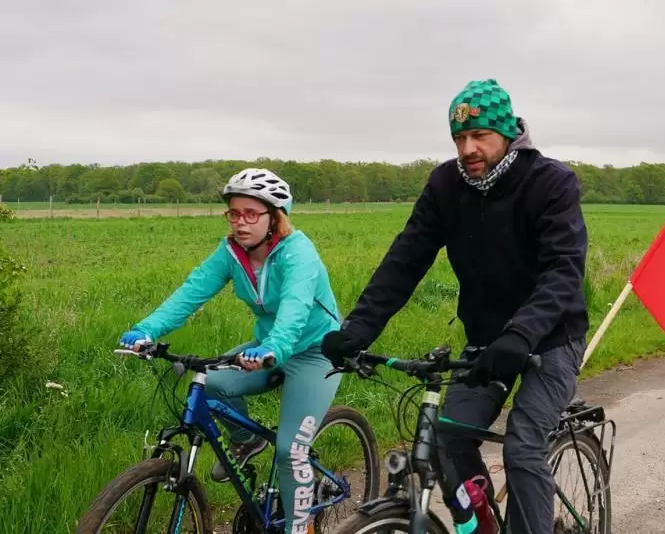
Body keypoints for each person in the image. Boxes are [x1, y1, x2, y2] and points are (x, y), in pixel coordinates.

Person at [321, 79, 589, 534]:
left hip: (551, 338)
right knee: (448, 438)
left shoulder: (550, 182)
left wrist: (521, 333)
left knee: (523, 446)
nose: (468, 149)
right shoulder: (445, 184)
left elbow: (563, 270)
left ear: (508, 133)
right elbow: (406, 259)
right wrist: (359, 328)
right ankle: (483, 525)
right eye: (459, 138)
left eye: (479, 136)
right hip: (487, 339)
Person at [119, 168, 342, 534]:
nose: (240, 222)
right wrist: (147, 328)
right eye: (234, 213)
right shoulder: (231, 253)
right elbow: (191, 291)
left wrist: (274, 347)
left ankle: (299, 529)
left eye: (251, 214)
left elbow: (295, 307)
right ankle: (246, 442)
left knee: (290, 451)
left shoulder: (298, 252)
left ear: (275, 217)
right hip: (268, 346)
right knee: (209, 384)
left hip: (315, 352)